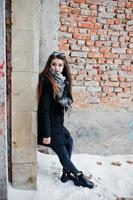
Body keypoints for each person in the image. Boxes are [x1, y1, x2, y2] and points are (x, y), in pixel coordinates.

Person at [36, 51, 94, 189]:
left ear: (64, 67)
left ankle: (66, 173)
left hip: (58, 123)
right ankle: (79, 177)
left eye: (60, 65)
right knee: (62, 151)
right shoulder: (47, 82)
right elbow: (43, 110)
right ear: (49, 65)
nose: (57, 67)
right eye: (54, 64)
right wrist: (47, 134)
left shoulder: (62, 81)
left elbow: (63, 102)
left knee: (69, 141)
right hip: (50, 125)